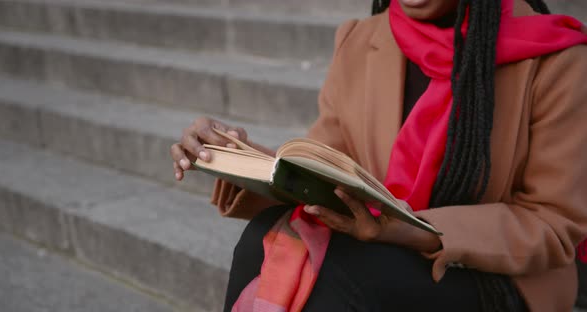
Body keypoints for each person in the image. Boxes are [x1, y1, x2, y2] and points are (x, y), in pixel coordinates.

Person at [170, 0, 587, 311]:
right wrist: (233, 155)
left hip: (493, 274)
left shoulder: (556, 59)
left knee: (338, 277)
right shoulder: (362, 39)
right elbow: (327, 165)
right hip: (380, 245)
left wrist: (410, 230)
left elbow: (551, 222)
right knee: (265, 239)